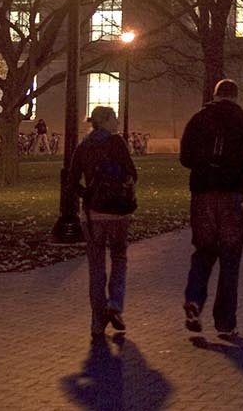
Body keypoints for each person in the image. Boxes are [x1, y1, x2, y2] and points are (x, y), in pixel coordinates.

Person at [179, 79, 243, 339]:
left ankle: (194, 299)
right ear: (236, 96)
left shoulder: (198, 119)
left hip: (203, 194)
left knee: (203, 251)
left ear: (215, 95)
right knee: (230, 258)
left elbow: (185, 158)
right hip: (232, 195)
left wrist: (205, 166)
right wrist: (237, 167)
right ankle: (225, 322)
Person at [69, 105, 137, 339]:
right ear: (106, 121)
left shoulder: (84, 146)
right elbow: (132, 173)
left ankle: (98, 321)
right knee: (119, 257)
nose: (117, 122)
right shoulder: (116, 143)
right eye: (115, 118)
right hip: (118, 212)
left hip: (93, 213)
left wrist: (87, 194)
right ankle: (115, 303)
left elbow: (72, 180)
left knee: (96, 266)